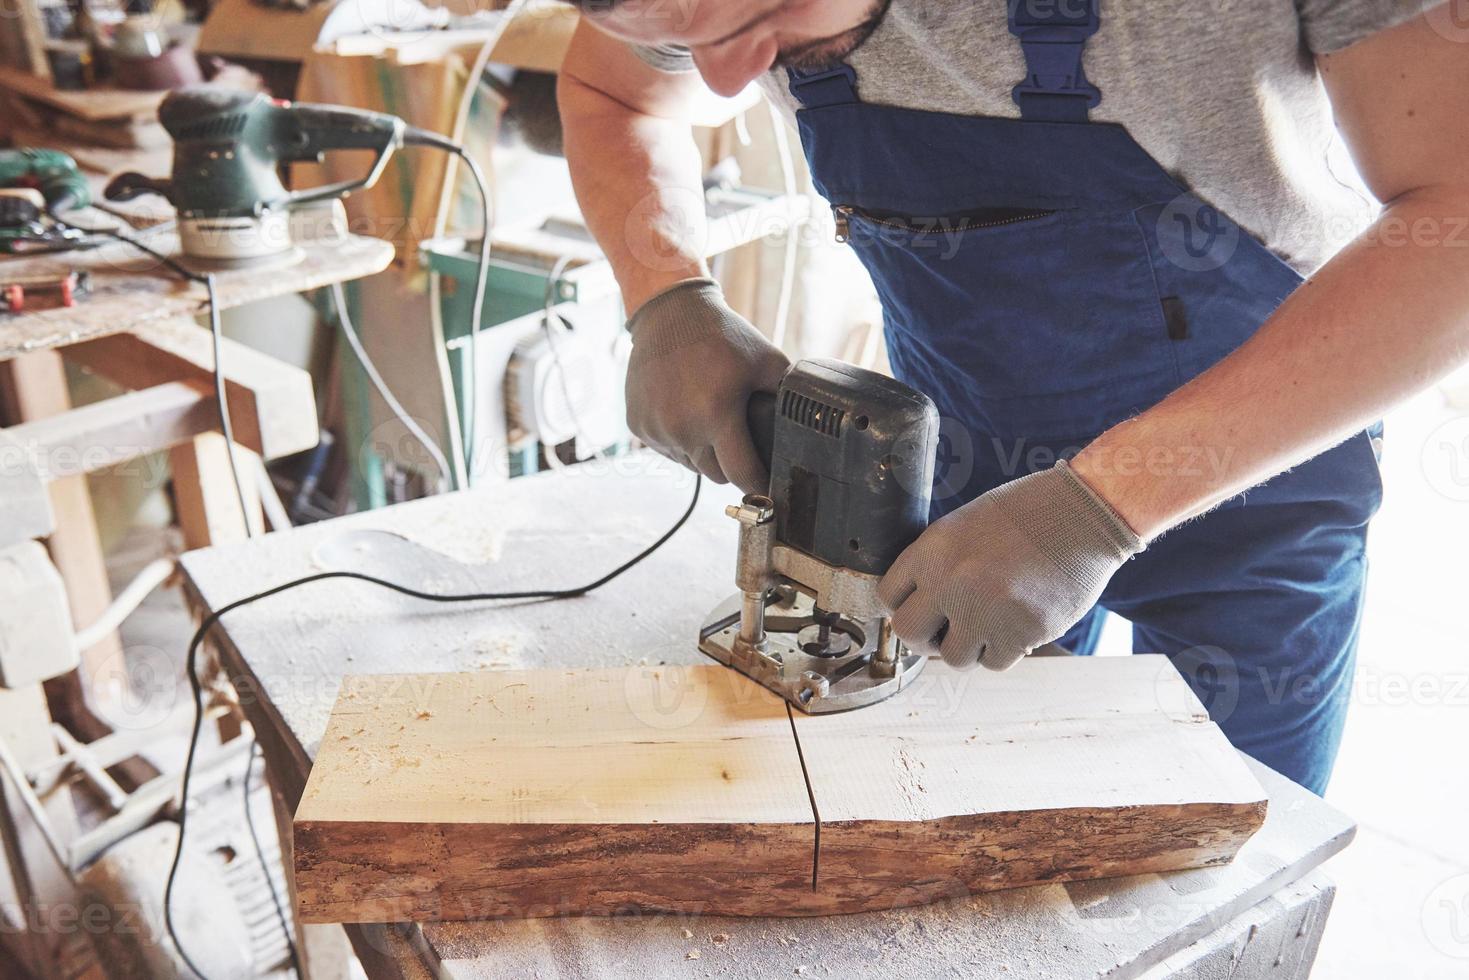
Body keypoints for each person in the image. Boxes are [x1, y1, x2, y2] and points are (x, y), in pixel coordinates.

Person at [554, 0, 1469, 794]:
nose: (720, 79)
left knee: (1212, 861)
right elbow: (615, 94)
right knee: (977, 839)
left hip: (1255, 487)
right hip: (959, 474)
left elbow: (1453, 225)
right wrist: (665, 293)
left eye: (758, 19)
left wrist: (1095, 508)